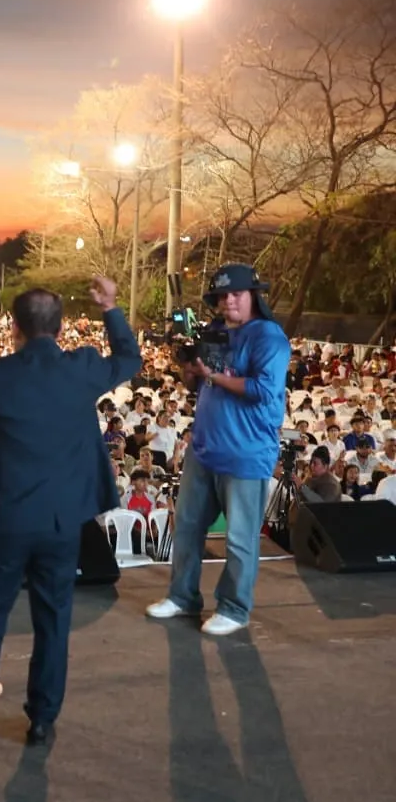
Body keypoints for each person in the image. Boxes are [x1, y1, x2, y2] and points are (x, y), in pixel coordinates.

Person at [0, 277, 140, 750]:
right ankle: (42, 720)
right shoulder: (84, 367)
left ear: (15, 328)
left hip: (5, 520)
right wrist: (110, 308)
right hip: (61, 522)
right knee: (53, 620)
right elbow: (130, 359)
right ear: (61, 327)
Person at [146, 264, 291, 636]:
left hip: (246, 451)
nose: (229, 301)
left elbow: (262, 389)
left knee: (240, 539)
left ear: (253, 296)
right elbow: (197, 386)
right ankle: (182, 597)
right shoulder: (213, 331)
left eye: (236, 294)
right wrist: (191, 371)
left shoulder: (269, 337)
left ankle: (234, 607)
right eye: (223, 296)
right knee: (187, 528)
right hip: (205, 447)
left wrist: (213, 375)